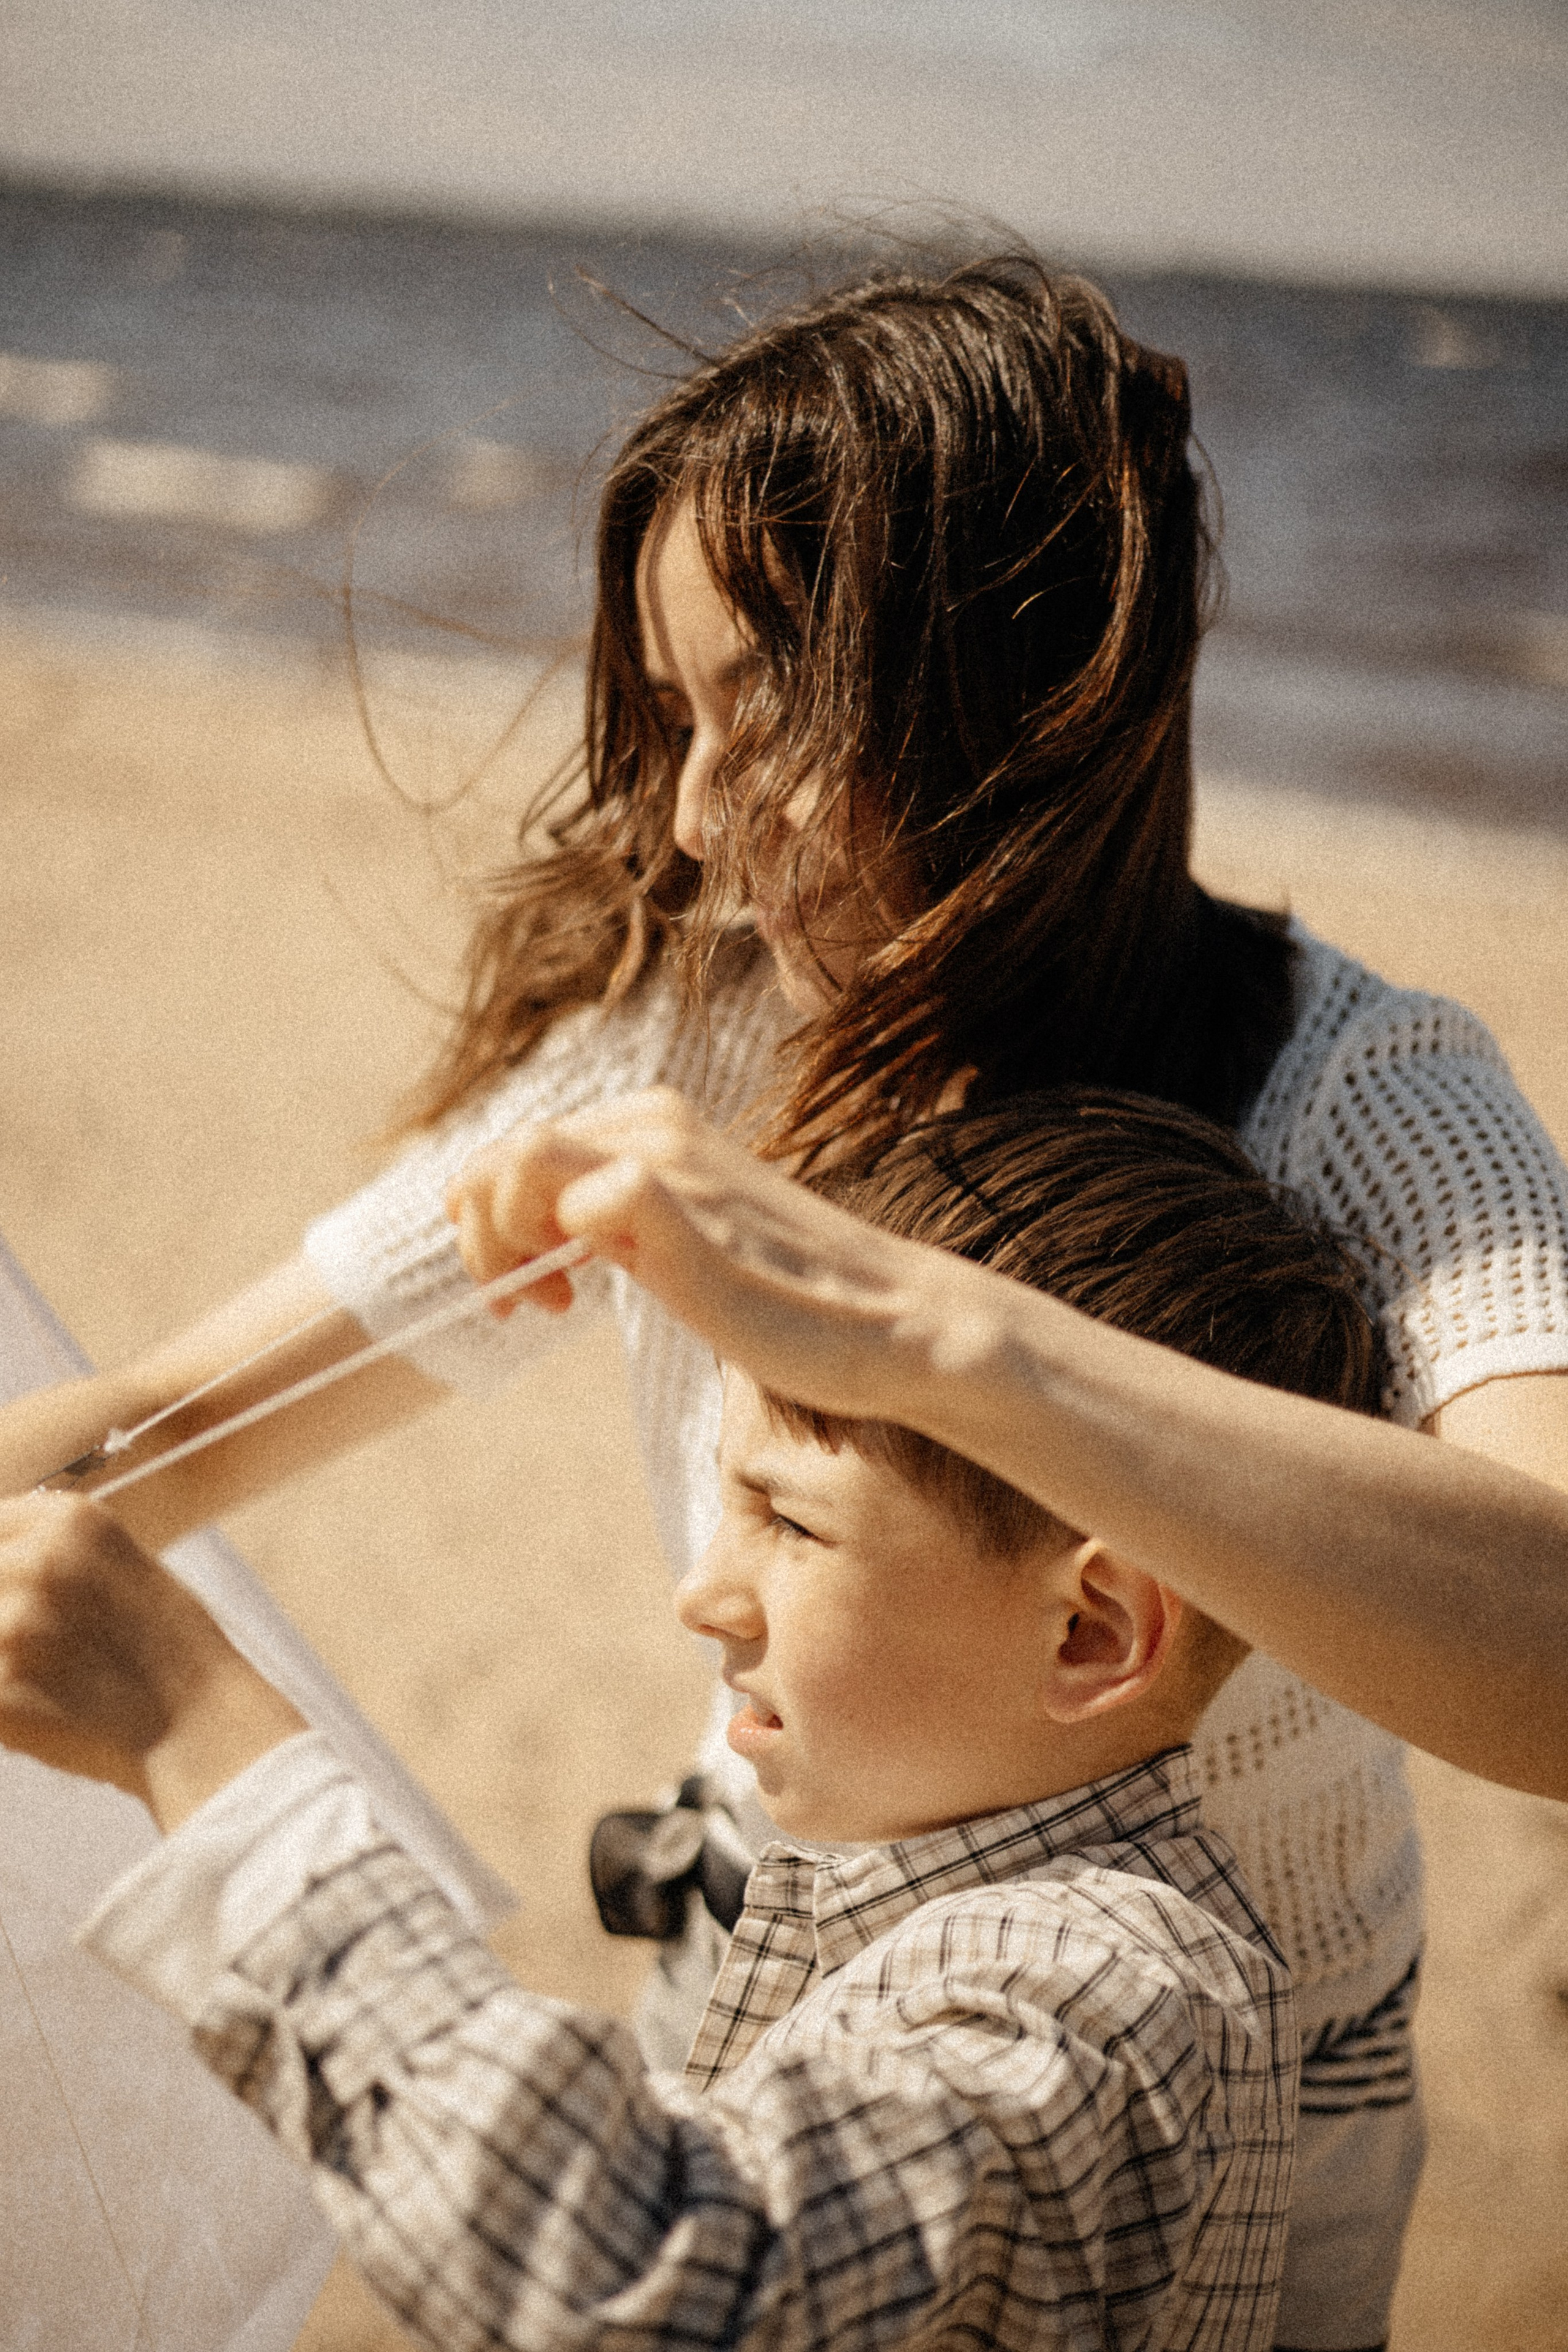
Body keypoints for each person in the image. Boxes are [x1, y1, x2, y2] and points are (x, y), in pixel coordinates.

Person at [3, 252, 1566, 2348]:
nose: (688, 817)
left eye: (765, 717)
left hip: (1192, 2130)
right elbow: (158, 1434)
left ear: (1025, 709)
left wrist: (926, 1333)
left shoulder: (1362, 1098)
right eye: (673, 717)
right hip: (760, 1988)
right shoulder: (697, 1055)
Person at [0, 1090, 1398, 2351]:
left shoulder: (1103, 2001)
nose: (701, 1598)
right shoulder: (946, 1897)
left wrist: (204, 1734)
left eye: (786, 1518)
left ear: (1089, 1631)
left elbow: (638, 2262)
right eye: (725, 1499)